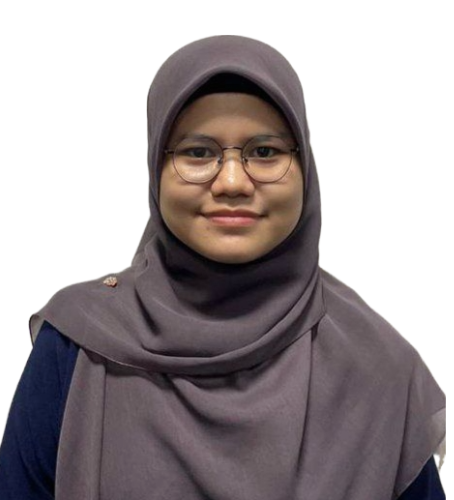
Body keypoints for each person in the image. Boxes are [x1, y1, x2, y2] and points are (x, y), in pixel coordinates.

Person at [0, 35, 446, 499]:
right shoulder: (81, 344)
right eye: (197, 152)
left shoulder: (377, 367)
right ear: (156, 167)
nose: (232, 182)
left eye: (265, 152)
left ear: (305, 168)